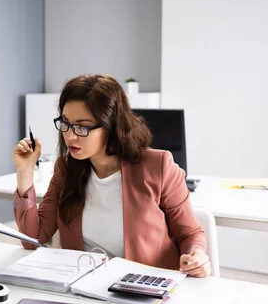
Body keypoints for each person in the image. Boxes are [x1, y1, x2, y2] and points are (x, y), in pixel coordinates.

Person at [12, 74, 211, 277]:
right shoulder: (66, 169)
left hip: (145, 288)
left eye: (82, 126)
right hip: (85, 286)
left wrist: (196, 256)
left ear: (111, 126)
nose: (70, 135)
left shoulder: (158, 166)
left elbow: (189, 234)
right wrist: (24, 171)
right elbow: (32, 238)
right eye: (65, 123)